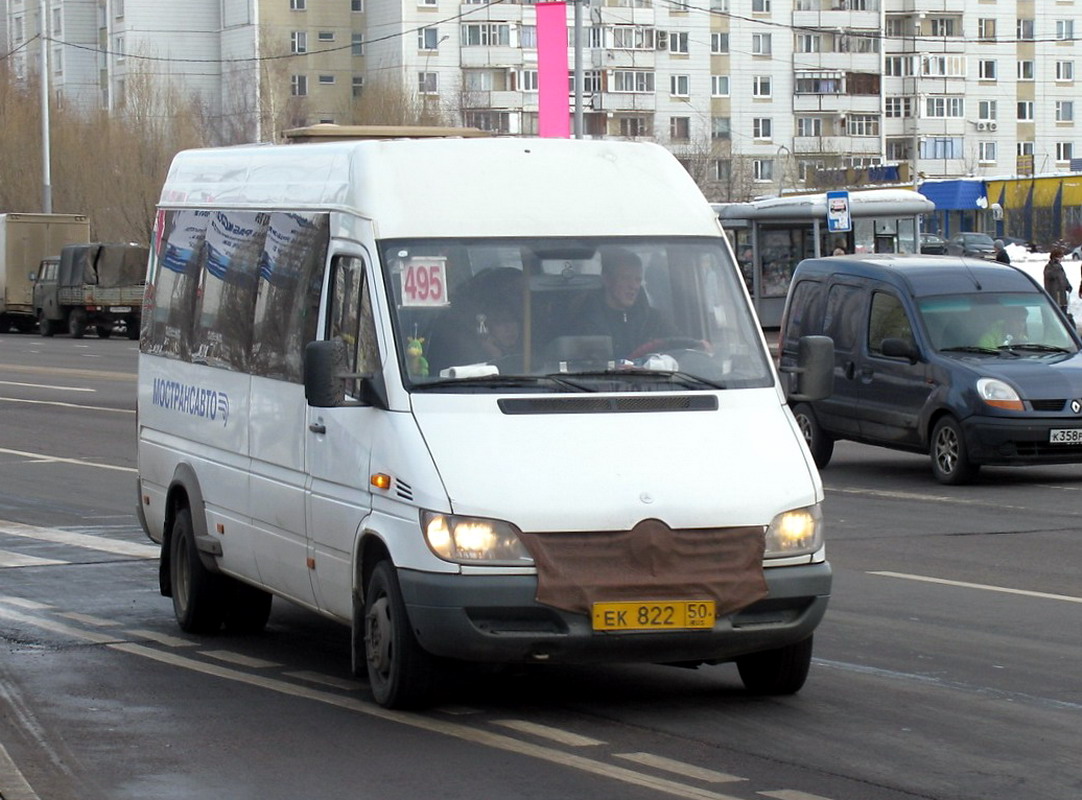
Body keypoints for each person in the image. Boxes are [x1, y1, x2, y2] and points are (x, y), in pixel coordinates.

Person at [572, 247, 678, 360]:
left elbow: (681, 347)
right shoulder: (584, 322)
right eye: (626, 278)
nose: (634, 286)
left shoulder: (655, 321)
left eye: (637, 280)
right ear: (607, 279)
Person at [1044, 247, 1071, 317]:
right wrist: (1055, 267)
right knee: (1057, 313)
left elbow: (1063, 278)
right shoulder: (1049, 266)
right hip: (1055, 294)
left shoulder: (1059, 266)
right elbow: (1049, 275)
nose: (1061, 259)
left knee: (1063, 312)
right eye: (1060, 257)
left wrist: (1067, 285)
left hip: (1062, 294)